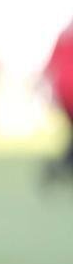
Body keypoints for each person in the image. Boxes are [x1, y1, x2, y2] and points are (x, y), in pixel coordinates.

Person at [42, 17, 73, 182]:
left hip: (63, 93)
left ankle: (56, 170)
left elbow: (49, 67)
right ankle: (56, 170)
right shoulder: (63, 39)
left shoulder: (62, 38)